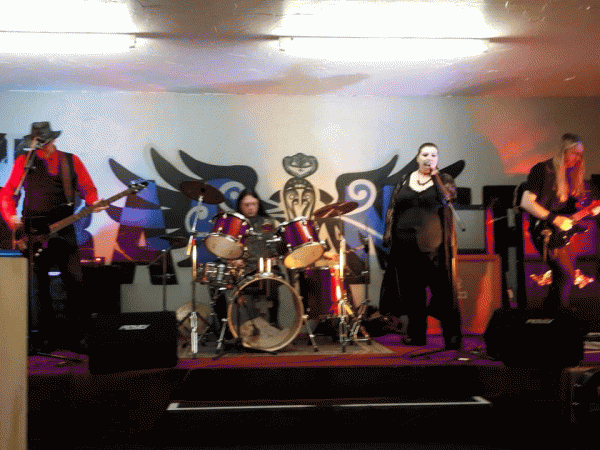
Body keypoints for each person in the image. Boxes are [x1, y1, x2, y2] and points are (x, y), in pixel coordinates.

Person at [0, 122, 107, 353]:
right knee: (37, 287)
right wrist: (12, 219)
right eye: (39, 144)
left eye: (46, 143)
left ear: (54, 140)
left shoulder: (71, 161)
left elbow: (88, 189)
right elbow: (8, 193)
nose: (43, 148)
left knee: (75, 282)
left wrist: (93, 202)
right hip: (33, 231)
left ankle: (79, 338)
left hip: (64, 228)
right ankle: (42, 339)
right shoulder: (24, 162)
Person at [379, 143, 462, 350]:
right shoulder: (405, 179)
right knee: (412, 293)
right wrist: (388, 236)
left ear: (437, 159)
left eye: (434, 155)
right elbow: (393, 208)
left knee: (443, 292)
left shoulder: (444, 179)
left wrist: (436, 177)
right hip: (405, 246)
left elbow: (449, 199)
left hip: (434, 247)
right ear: (417, 158)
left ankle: (452, 336)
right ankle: (417, 335)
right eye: (425, 154)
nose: (429, 158)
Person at [519, 133, 600, 313]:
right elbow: (526, 202)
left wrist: (590, 210)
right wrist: (554, 219)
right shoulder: (542, 170)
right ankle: (561, 316)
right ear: (562, 151)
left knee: (561, 279)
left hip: (563, 234)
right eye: (574, 153)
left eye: (580, 154)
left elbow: (570, 212)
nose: (577, 158)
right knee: (566, 276)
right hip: (545, 231)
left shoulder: (572, 175)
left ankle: (550, 317)